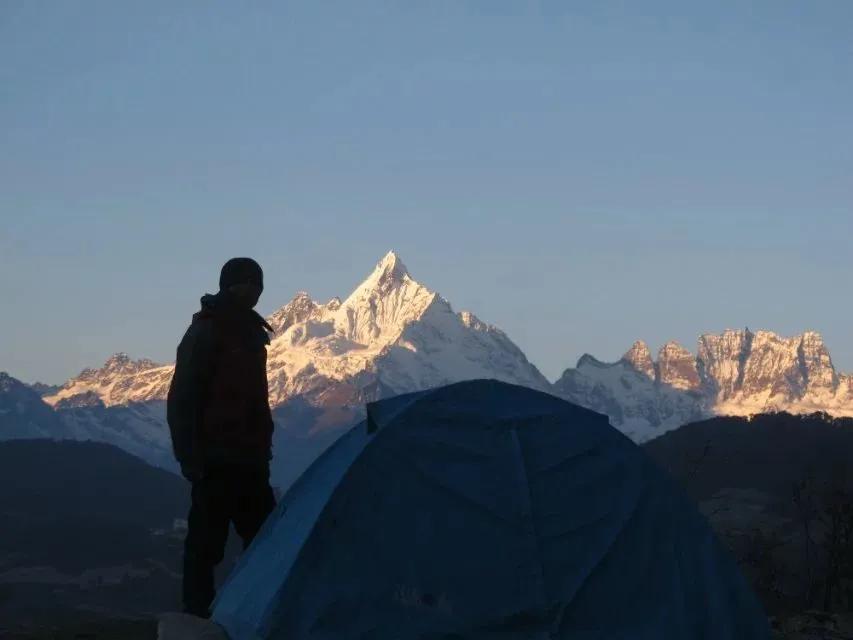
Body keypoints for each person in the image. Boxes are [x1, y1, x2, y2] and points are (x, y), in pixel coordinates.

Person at [167, 257, 277, 618]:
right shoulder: (208, 330)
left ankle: (257, 610)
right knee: (205, 545)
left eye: (258, 284)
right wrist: (190, 458)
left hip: (250, 460)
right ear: (229, 285)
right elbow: (183, 396)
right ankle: (197, 614)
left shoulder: (252, 333)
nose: (255, 290)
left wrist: (264, 447)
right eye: (247, 283)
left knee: (265, 540)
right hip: (214, 460)